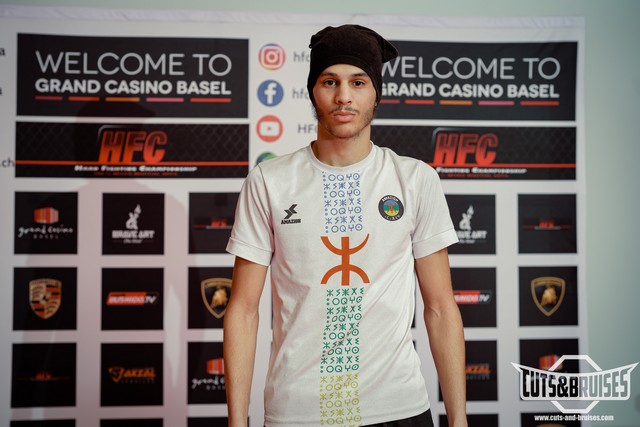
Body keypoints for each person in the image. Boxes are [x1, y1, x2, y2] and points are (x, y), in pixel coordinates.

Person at [224, 24, 467, 427]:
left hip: (400, 408)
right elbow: (244, 310)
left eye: (358, 82)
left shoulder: (415, 179)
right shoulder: (269, 181)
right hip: (296, 412)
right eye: (329, 81)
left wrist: (458, 420)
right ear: (312, 91)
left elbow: (440, 307)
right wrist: (236, 422)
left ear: (376, 93)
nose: (343, 96)